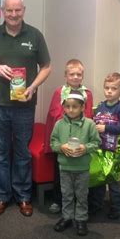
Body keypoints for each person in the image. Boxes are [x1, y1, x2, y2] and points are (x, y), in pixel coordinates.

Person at [0, 0, 51, 217]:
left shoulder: (35, 36)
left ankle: (23, 196)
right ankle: (1, 196)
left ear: (23, 10)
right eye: (9, 10)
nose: (13, 14)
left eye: (17, 10)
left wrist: (33, 86)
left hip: (24, 105)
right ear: (3, 11)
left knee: (22, 152)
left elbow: (46, 66)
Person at [44, 59, 94, 214]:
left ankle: (80, 204)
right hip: (63, 138)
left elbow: (89, 115)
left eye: (79, 74)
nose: (75, 77)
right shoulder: (60, 92)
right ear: (66, 75)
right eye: (72, 74)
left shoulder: (87, 93)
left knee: (80, 174)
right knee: (60, 173)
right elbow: (53, 114)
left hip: (81, 138)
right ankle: (58, 200)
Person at [50, 91, 101, 236]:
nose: (70, 110)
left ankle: (81, 219)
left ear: (82, 107)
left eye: (74, 107)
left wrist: (85, 148)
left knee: (82, 194)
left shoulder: (90, 124)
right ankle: (67, 217)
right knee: (66, 194)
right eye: (67, 107)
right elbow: (53, 142)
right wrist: (61, 147)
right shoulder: (59, 124)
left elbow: (97, 143)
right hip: (65, 168)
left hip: (82, 168)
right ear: (63, 107)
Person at [88, 72, 120, 219]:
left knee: (113, 179)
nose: (109, 91)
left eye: (113, 89)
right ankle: (96, 205)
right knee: (99, 177)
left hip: (115, 150)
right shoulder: (100, 106)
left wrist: (106, 128)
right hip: (100, 148)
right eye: (107, 88)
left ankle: (117, 207)